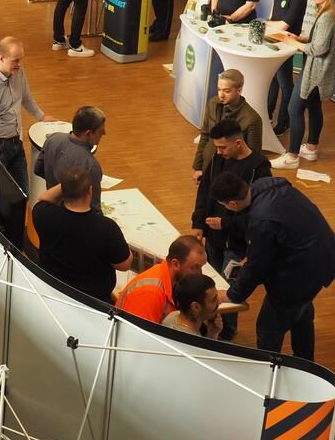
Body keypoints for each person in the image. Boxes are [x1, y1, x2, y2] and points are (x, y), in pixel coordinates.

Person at [212, 173, 335, 361]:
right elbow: (282, 231)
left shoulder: (261, 219)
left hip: (300, 272)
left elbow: (256, 268)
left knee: (268, 328)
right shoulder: (270, 184)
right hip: (323, 255)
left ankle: (270, 368)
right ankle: (305, 361)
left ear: (232, 204)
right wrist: (255, 252)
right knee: (302, 313)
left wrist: (232, 294)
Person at [191, 118, 270, 340]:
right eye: (216, 147)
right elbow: (205, 189)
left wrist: (226, 223)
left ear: (238, 142)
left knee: (230, 291)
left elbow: (259, 213)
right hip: (213, 239)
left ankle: (228, 330)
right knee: (210, 285)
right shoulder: (219, 158)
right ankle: (210, 323)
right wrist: (198, 222)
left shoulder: (259, 168)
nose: (218, 151)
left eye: (222, 147)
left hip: (237, 245)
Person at [272, 0, 335, 169]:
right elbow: (321, 41)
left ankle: (292, 156)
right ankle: (311, 148)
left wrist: (293, 43)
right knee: (314, 107)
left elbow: (319, 49)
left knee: (294, 109)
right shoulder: (332, 14)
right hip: (320, 72)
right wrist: (302, 38)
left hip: (315, 73)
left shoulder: (328, 17)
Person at [0, 37, 58, 197]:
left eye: (21, 59)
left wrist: (42, 116)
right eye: (15, 60)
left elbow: (26, 97)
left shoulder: (18, 72)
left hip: (16, 142)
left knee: (22, 194)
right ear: (1, 58)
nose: (19, 64)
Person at [33, 167, 130, 305]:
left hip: (51, 294)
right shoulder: (106, 227)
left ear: (63, 191)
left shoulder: (44, 215)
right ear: (90, 191)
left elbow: (42, 199)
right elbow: (124, 264)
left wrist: (68, 184)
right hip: (93, 303)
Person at [115, 235, 207, 323]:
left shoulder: (172, 279)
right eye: (195, 267)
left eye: (201, 267)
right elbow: (138, 333)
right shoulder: (150, 294)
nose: (200, 273)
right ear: (175, 264)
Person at [192, 69, 262, 182]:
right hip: (208, 167)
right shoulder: (212, 103)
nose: (221, 95)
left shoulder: (252, 119)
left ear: (239, 90)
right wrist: (198, 166)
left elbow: (253, 157)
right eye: (219, 89)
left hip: (231, 175)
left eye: (227, 91)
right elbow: (205, 135)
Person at [33, 105, 106, 212]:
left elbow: (38, 169)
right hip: (74, 217)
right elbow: (95, 209)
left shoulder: (53, 139)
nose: (104, 133)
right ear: (88, 134)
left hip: (51, 210)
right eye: (101, 131)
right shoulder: (91, 165)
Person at [265, 0, 308, 135]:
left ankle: (284, 122)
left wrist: (265, 24)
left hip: (286, 44)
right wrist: (268, 22)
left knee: (285, 84)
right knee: (272, 80)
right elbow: (274, 11)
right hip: (273, 40)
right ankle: (267, 115)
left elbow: (284, 25)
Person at [163, 274, 222, 339]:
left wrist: (212, 334)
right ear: (195, 307)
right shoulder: (193, 340)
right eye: (213, 300)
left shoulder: (172, 315)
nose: (218, 302)